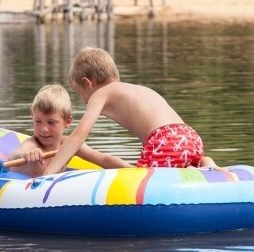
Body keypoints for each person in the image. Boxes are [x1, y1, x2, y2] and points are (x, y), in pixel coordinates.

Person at [42, 47, 219, 176]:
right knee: (152, 166)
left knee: (140, 179)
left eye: (80, 94)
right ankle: (203, 163)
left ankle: (194, 168)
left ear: (88, 83)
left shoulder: (100, 93)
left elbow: (78, 136)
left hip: (165, 140)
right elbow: (153, 139)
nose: (84, 101)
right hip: (190, 139)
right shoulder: (139, 90)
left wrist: (47, 175)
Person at [8, 84, 131, 177]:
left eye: (51, 122)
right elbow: (14, 156)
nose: (44, 129)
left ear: (67, 122)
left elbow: (103, 159)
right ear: (32, 118)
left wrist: (132, 169)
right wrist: (26, 155)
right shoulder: (32, 144)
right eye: (38, 121)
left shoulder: (68, 145)